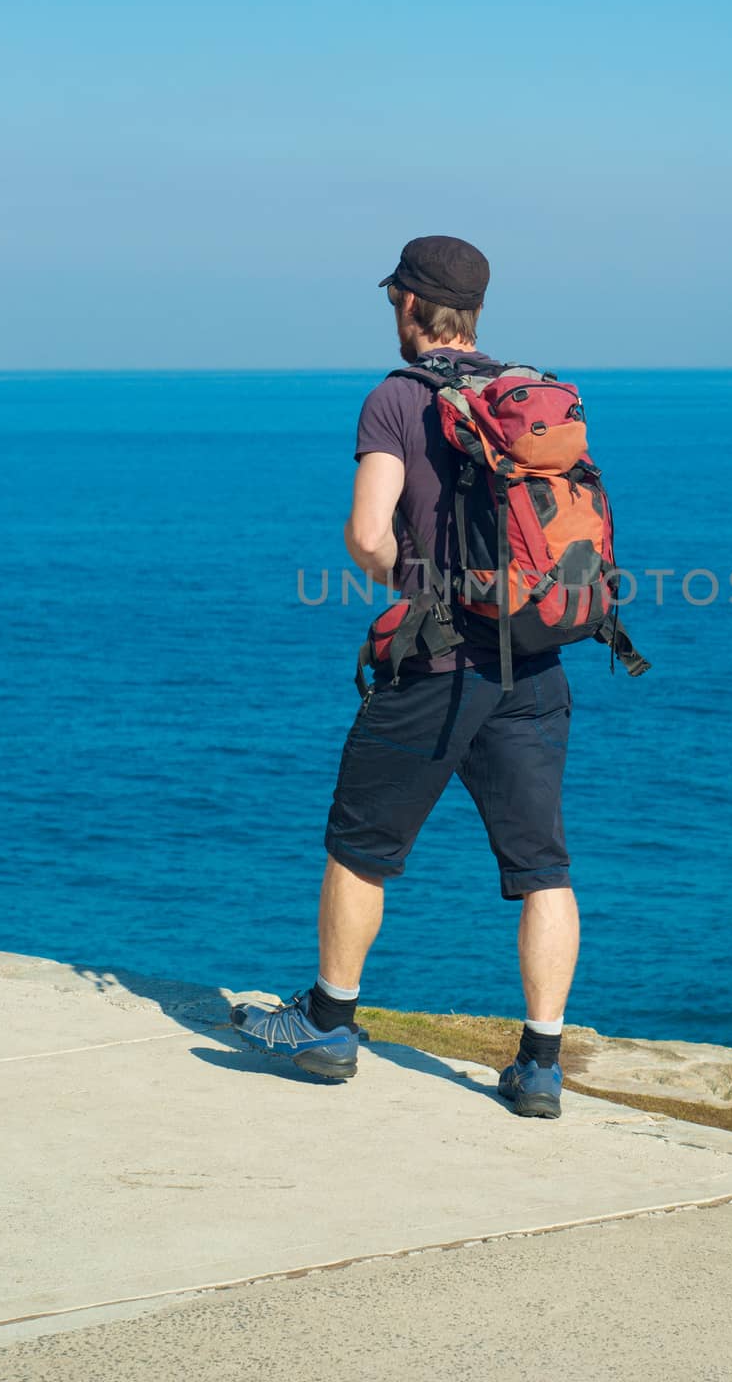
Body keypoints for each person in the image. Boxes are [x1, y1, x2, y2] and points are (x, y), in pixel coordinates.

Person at [231, 235, 576, 1118]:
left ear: (411, 306)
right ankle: (539, 1065)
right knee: (541, 868)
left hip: (436, 659)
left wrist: (409, 581)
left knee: (360, 848)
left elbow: (366, 533)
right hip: (533, 661)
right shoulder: (525, 395)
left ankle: (329, 1024)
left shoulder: (396, 398)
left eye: (394, 300)